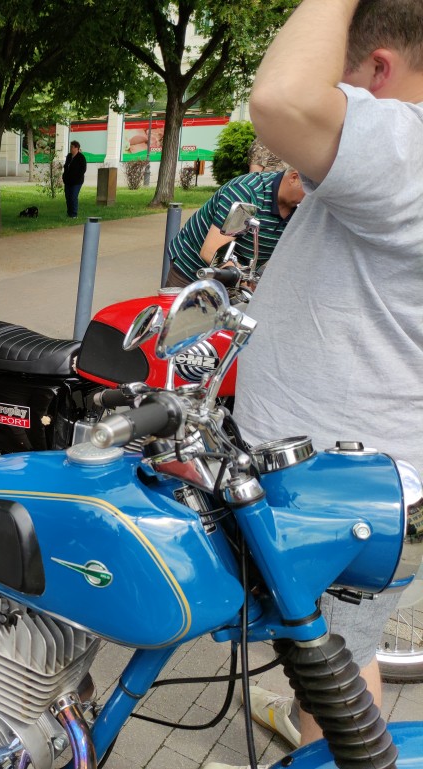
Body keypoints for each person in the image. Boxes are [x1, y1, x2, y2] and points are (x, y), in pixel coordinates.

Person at [208, 1, 423, 767]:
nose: (335, 105)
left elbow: (282, 101)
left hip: (344, 495)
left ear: (378, 71)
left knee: (333, 685)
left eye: (346, 85)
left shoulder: (409, 145)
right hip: (345, 483)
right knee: (326, 674)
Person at [165, 167, 304, 287]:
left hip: (236, 276)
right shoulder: (248, 194)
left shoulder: (303, 207)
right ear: (294, 178)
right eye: (312, 189)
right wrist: (247, 282)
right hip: (193, 272)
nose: (314, 197)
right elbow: (213, 252)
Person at [61, 140, 86, 218]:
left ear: (76, 148)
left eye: (72, 147)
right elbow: (66, 166)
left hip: (76, 182)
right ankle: (69, 213)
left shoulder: (81, 157)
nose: (70, 148)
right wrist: (64, 176)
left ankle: (74, 214)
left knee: (73, 197)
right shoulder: (69, 156)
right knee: (68, 197)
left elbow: (83, 169)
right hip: (68, 181)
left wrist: (76, 177)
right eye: (70, 147)